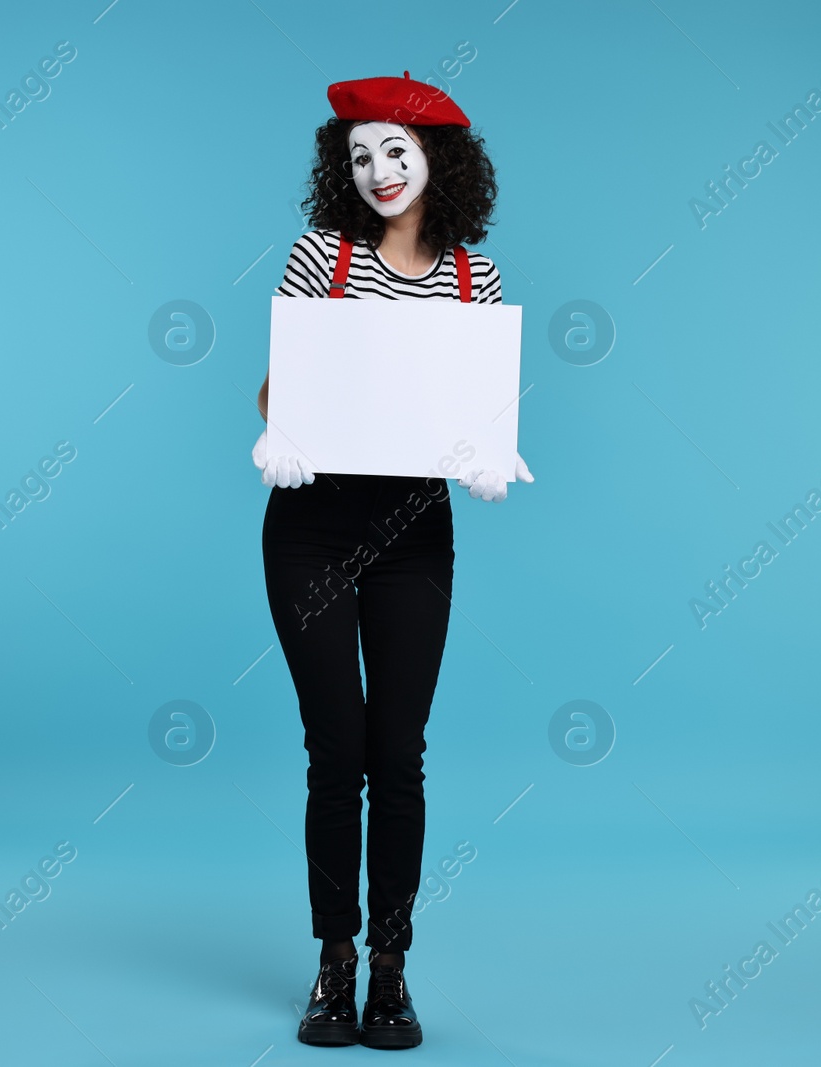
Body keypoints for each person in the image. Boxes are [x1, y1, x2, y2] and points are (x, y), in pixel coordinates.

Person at [251, 71, 532, 1050]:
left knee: (396, 755)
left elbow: (475, 408)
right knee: (335, 754)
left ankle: (391, 972)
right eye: (359, 154)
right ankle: (332, 962)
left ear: (438, 162)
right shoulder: (318, 258)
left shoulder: (474, 279)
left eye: (395, 153)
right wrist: (278, 427)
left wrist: (492, 448)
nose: (377, 171)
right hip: (311, 528)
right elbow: (273, 388)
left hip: (415, 535)